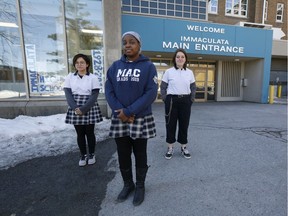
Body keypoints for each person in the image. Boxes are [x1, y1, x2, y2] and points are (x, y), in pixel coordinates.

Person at [105, 31, 158, 206]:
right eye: (125, 42)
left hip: (139, 118)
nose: (127, 45)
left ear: (139, 45)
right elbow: (109, 91)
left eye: (132, 42)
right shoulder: (115, 67)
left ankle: (140, 185)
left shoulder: (148, 66)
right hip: (120, 118)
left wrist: (129, 111)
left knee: (140, 153)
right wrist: (120, 112)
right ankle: (128, 184)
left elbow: (150, 93)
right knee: (123, 153)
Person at [64, 53, 103, 167]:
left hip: (89, 106)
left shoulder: (93, 77)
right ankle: (83, 155)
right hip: (75, 105)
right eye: (77, 62)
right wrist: (75, 108)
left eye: (82, 62)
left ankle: (91, 154)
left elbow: (95, 94)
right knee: (80, 133)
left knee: (90, 133)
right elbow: (68, 93)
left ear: (87, 64)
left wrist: (84, 108)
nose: (79, 65)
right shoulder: (70, 77)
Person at [160, 48, 196, 160]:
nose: (180, 58)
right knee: (170, 125)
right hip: (171, 101)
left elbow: (193, 87)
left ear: (185, 59)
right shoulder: (169, 72)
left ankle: (183, 147)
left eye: (182, 57)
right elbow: (163, 87)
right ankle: (170, 147)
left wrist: (191, 99)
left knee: (184, 125)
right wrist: (165, 99)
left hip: (185, 101)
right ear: (174, 59)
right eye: (178, 56)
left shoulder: (189, 72)